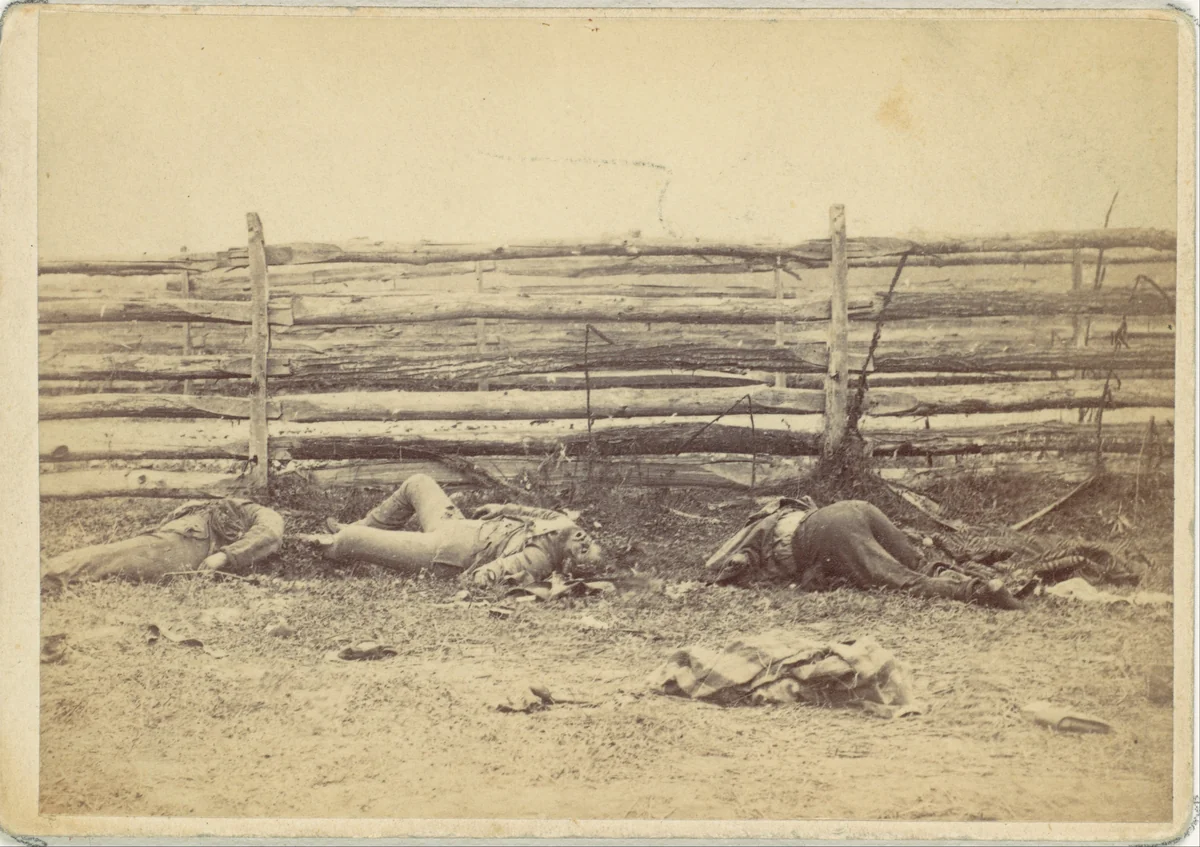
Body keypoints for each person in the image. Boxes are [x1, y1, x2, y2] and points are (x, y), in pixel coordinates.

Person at [704, 497, 1024, 610]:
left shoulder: (753, 537)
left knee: (899, 579)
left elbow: (733, 564)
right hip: (853, 508)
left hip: (829, 534)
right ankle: (984, 581)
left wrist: (729, 573)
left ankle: (977, 592)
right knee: (916, 561)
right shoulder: (784, 511)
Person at [300, 474, 602, 586]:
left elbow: (486, 576)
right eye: (588, 538)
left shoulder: (539, 559)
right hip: (454, 523)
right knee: (418, 483)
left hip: (442, 553)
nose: (582, 537)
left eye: (583, 548)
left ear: (568, 561)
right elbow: (540, 512)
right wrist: (503, 509)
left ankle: (313, 546)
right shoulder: (564, 525)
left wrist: (487, 575)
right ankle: (360, 528)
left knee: (352, 540)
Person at [41, 497, 284, 594]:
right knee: (122, 554)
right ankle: (51, 571)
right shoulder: (260, 513)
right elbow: (270, 532)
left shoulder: (247, 512)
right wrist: (223, 557)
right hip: (191, 538)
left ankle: (55, 569)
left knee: (122, 554)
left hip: (188, 533)